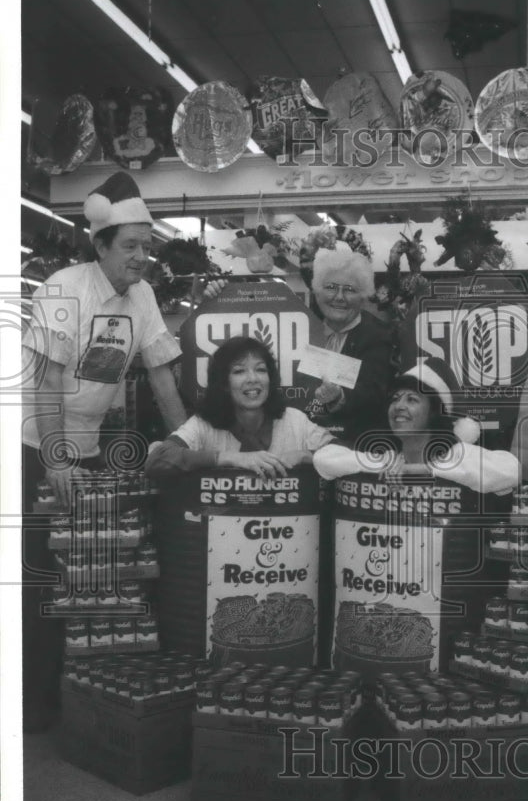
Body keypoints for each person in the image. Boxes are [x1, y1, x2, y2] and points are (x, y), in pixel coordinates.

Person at [21, 170, 187, 731]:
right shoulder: (64, 288)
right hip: (34, 445)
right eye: (131, 246)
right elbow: (44, 382)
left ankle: (79, 696)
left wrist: (186, 444)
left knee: (88, 578)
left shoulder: (143, 296)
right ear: (100, 246)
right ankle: (32, 705)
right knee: (44, 576)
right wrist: (55, 458)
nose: (142, 257)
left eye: (147, 246)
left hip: (88, 449)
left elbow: (162, 378)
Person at [314, 357, 520, 494]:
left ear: (433, 412)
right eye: (395, 399)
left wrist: (423, 470)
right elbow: (323, 459)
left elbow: (512, 471)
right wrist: (385, 466)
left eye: (412, 400)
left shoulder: (457, 453)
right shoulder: (390, 456)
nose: (399, 406)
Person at [145, 336, 333, 478]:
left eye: (261, 369)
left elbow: (344, 452)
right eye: (239, 371)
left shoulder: (294, 420)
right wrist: (229, 458)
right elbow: (157, 460)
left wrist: (305, 456)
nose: (253, 378)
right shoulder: (203, 425)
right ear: (224, 383)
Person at [306, 245, 395, 441]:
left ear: (363, 297)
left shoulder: (378, 335)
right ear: (317, 292)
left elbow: (374, 392)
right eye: (331, 287)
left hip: (356, 444)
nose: (339, 297)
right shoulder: (305, 330)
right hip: (305, 438)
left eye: (349, 290)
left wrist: (339, 396)